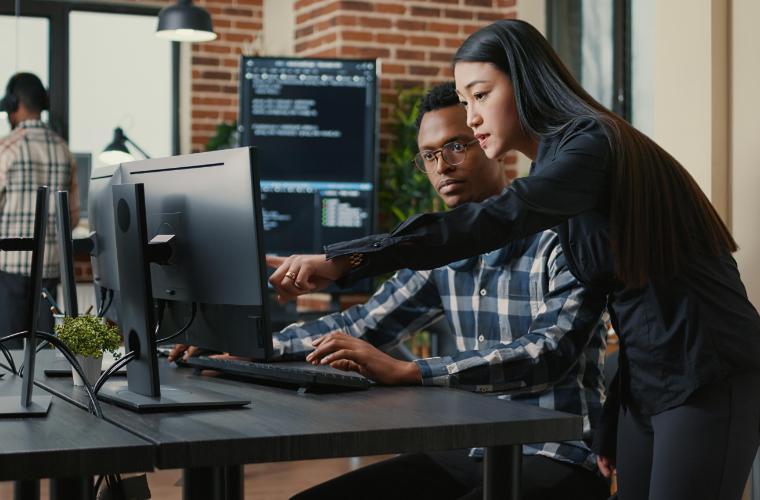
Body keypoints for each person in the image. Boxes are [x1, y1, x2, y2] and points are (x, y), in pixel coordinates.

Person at [269, 20, 760, 500]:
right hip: (647, 383)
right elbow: (638, 299)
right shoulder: (561, 163)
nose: (473, 116)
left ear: (524, 82)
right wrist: (615, 412)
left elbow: (496, 219)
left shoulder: (590, 145)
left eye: (481, 96)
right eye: (465, 102)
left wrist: (346, 259)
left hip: (710, 372)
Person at [256, 82, 608, 500]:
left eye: (457, 146)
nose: (442, 166)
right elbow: (362, 324)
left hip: (558, 454)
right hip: (473, 449)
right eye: (429, 155)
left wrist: (413, 370)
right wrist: (252, 347)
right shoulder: (439, 253)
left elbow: (547, 354)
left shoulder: (562, 238)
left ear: (489, 143)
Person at [0, 72, 79, 340]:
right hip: (50, 270)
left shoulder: (6, 147)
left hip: (9, 270)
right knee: (45, 360)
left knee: (9, 360)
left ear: (15, 105)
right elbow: (74, 218)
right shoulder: (63, 149)